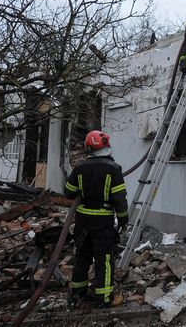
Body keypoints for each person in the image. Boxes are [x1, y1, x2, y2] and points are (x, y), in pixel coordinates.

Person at [65, 130, 128, 308]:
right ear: (106, 146)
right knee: (104, 260)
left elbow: (69, 192)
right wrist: (123, 220)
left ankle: (78, 294)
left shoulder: (79, 168)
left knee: (82, 257)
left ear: (88, 148)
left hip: (83, 221)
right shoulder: (114, 169)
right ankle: (104, 297)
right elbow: (119, 199)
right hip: (103, 223)